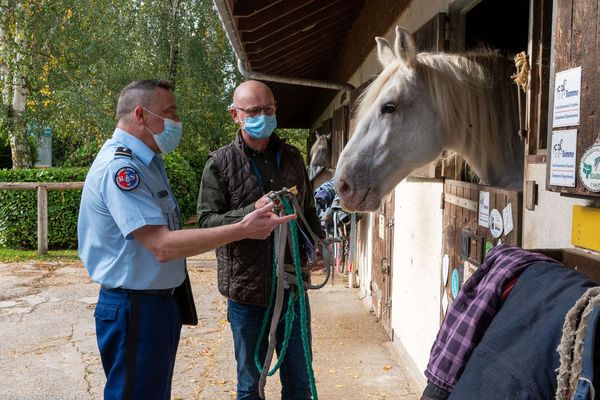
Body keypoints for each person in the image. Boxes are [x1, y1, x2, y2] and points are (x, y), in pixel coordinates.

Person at [77, 80, 294, 400]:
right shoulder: (121, 168)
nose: (176, 121)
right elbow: (162, 245)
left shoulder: (148, 163)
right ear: (140, 114)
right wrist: (242, 228)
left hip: (157, 303)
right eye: (169, 112)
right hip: (135, 304)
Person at [197, 80, 325, 400]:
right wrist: (247, 214)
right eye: (254, 111)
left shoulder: (293, 158)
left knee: (300, 380)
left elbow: (308, 212)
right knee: (250, 384)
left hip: (293, 289)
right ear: (235, 115)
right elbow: (206, 223)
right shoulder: (219, 163)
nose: (263, 117)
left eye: (269, 110)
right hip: (247, 293)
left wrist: (318, 243)